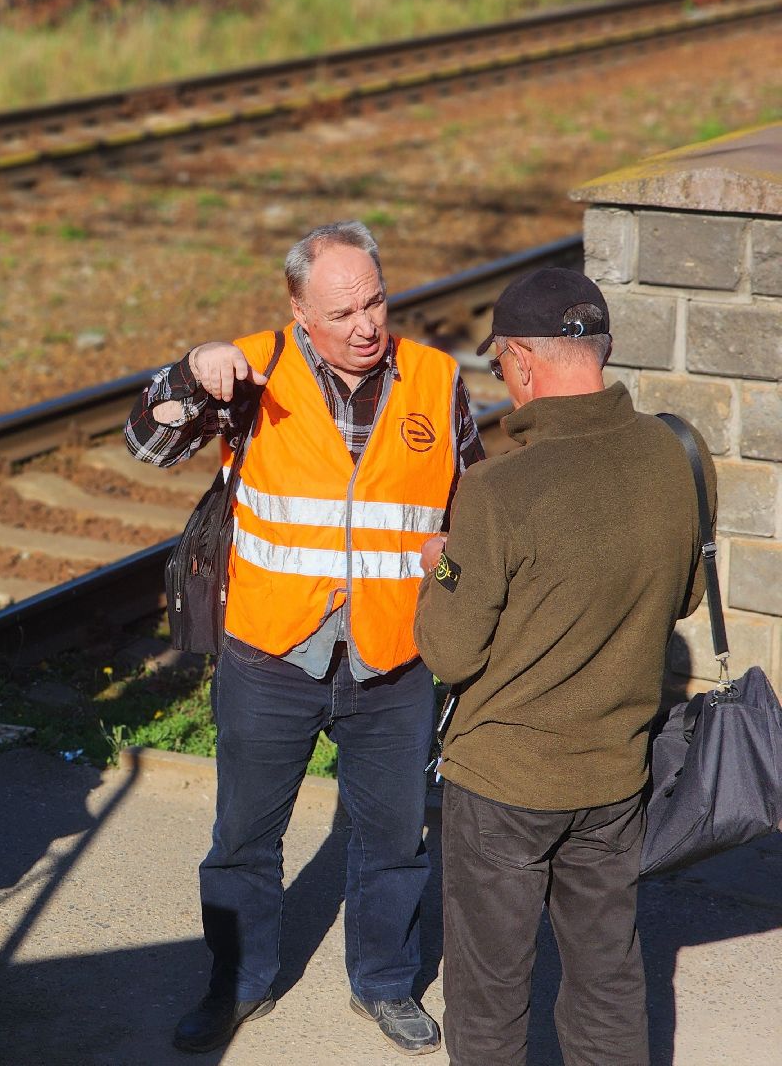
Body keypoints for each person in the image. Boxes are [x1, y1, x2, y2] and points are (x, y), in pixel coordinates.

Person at [125, 220, 483, 1055]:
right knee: (245, 836)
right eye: (343, 310)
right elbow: (146, 441)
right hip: (273, 652)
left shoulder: (435, 377)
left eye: (377, 301)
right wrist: (187, 376)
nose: (366, 324)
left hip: (393, 656)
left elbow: (470, 505)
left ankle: (386, 984)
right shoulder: (248, 370)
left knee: (395, 838)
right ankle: (237, 984)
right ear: (299, 311)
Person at [413, 267, 714, 1065]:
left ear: (516, 360)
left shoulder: (495, 490)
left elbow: (449, 650)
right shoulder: (674, 454)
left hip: (504, 784)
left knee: (489, 994)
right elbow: (683, 597)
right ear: (601, 350)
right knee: (609, 978)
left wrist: (441, 567)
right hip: (616, 778)